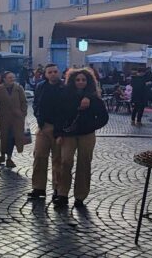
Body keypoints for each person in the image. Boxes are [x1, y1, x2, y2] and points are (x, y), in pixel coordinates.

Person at [53, 69, 109, 209]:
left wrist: (91, 126)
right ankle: (62, 193)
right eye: (78, 80)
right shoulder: (64, 95)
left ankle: (80, 196)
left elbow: (103, 117)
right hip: (68, 134)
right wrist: (58, 133)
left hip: (86, 135)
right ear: (72, 81)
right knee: (65, 162)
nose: (80, 82)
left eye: (83, 80)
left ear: (88, 81)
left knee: (84, 164)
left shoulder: (94, 98)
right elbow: (59, 116)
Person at [29, 64, 67, 199]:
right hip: (43, 126)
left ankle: (57, 189)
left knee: (58, 160)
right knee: (39, 156)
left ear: (59, 73)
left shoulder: (65, 88)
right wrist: (38, 116)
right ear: (45, 74)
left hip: (59, 128)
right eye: (50, 72)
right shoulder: (40, 87)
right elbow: (36, 104)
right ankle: (38, 188)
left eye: (55, 71)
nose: (53, 74)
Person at [0, 71, 28, 168]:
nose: (12, 79)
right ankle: (2, 155)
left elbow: (24, 102)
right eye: (10, 77)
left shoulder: (18, 88)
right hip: (4, 117)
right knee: (4, 136)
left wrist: (23, 114)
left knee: (13, 137)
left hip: (17, 118)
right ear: (4, 79)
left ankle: (9, 157)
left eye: (13, 77)